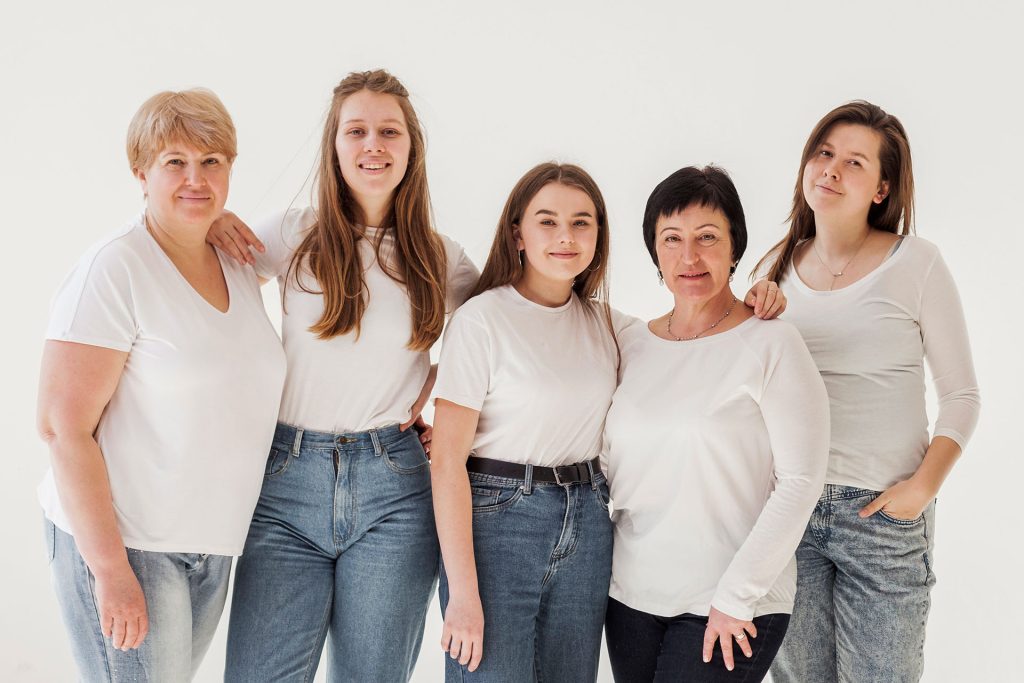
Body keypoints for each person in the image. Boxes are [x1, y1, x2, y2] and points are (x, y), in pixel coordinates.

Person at [430, 162, 788, 682]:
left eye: (582, 222)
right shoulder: (481, 319)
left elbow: (688, 343)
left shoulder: (609, 326)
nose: (565, 237)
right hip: (499, 523)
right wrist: (462, 594)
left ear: (600, 235)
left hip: (590, 525)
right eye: (547, 222)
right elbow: (446, 463)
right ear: (518, 235)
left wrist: (760, 293)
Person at [208, 69, 479, 683]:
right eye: (355, 131)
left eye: (389, 131)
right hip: (285, 483)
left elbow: (504, 325)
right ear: (334, 145)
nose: (372, 145)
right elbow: (198, 296)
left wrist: (441, 381)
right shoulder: (294, 233)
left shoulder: (441, 257)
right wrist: (210, 226)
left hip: (396, 490)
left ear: (412, 148)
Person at [36, 89, 286, 681]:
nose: (195, 178)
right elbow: (61, 427)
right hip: (129, 543)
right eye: (175, 162)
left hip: (211, 545)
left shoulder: (236, 259)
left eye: (211, 162)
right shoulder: (114, 268)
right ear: (140, 172)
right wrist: (110, 570)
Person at [755, 101, 981, 683]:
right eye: (824, 153)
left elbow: (962, 396)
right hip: (790, 512)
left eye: (854, 162)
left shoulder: (918, 263)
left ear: (882, 188)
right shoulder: (772, 270)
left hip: (882, 517)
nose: (830, 169)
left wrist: (922, 489)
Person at [602, 165, 830, 682]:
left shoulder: (772, 344)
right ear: (653, 251)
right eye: (672, 239)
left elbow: (800, 481)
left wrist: (736, 598)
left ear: (735, 247)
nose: (689, 257)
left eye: (708, 238)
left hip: (730, 605)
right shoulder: (627, 342)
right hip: (630, 597)